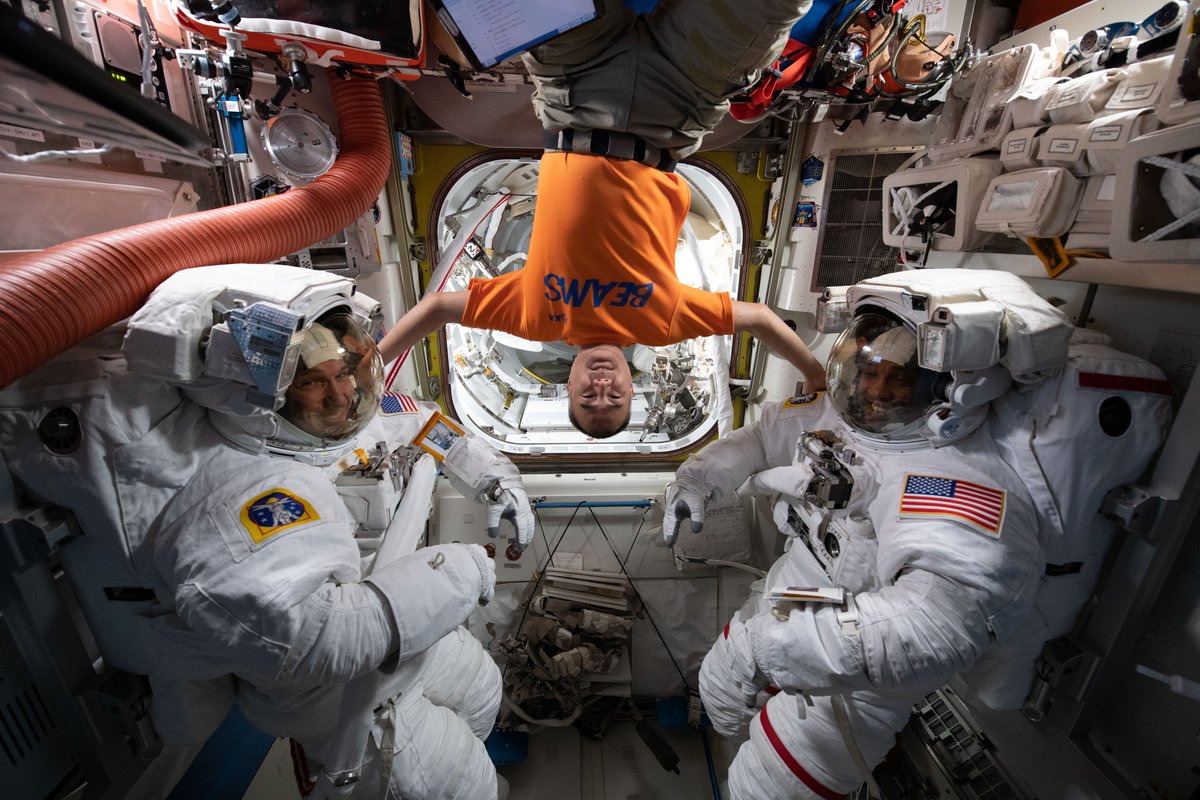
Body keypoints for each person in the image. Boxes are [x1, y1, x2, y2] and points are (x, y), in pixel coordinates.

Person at [0, 264, 535, 800]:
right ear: (263, 398)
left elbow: (424, 422)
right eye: (313, 383)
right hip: (356, 703)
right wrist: (462, 572)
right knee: (469, 789)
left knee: (485, 692)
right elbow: (312, 638)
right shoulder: (245, 492)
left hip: (408, 637)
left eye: (347, 372)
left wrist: (496, 479)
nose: (342, 395)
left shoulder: (332, 423)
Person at [661, 269, 1171, 799]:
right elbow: (759, 439)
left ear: (950, 391)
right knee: (718, 692)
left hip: (861, 641)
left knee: (762, 788)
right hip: (800, 585)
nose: (875, 391)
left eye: (899, 380)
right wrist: (697, 478)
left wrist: (767, 648)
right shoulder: (833, 413)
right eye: (867, 372)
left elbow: (932, 626)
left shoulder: (955, 477)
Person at [379, 0, 827, 438]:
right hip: (680, 102)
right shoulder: (663, 324)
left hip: (573, 88)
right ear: (632, 387)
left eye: (587, 399)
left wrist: (376, 363)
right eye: (615, 400)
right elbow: (761, 319)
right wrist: (814, 373)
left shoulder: (533, 319)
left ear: (567, 385)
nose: (601, 388)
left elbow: (437, 308)